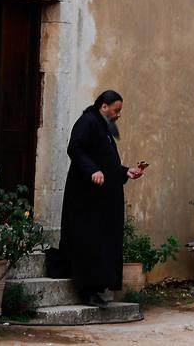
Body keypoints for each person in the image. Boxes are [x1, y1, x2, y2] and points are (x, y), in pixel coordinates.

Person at [59, 90, 144, 308]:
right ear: (104, 107)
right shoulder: (87, 121)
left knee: (103, 242)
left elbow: (107, 162)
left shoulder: (102, 127)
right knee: (89, 242)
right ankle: (88, 291)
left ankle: (98, 287)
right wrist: (92, 171)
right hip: (86, 199)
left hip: (101, 200)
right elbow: (75, 149)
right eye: (116, 110)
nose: (119, 115)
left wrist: (126, 172)